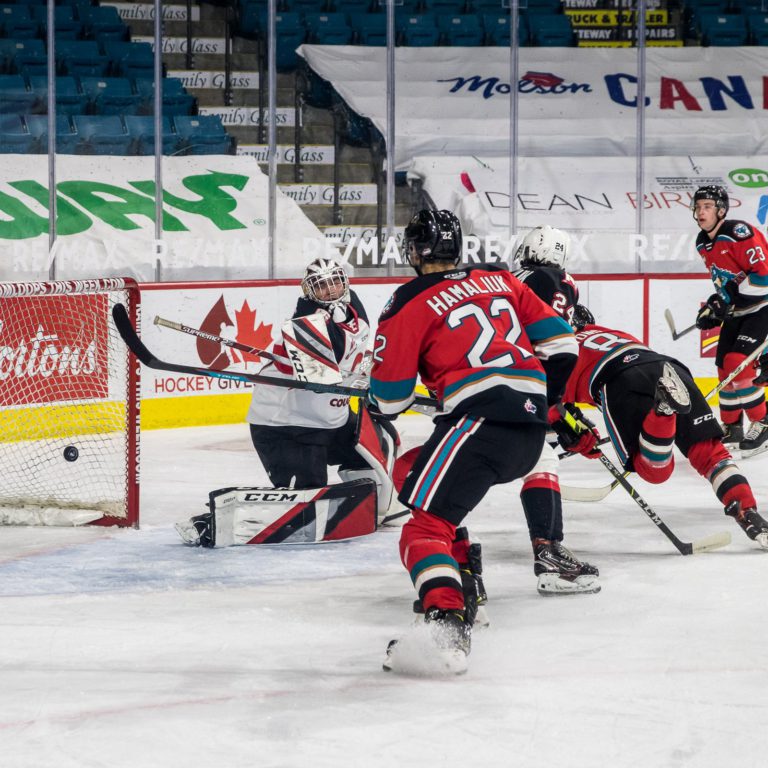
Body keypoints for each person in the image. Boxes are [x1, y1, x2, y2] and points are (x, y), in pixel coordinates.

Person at [367, 209, 597, 673]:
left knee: (421, 528)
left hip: (478, 427)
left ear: (414, 252)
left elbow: (388, 401)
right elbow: (563, 346)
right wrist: (537, 401)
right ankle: (466, 580)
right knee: (412, 471)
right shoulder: (501, 280)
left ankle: (447, 621)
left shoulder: (407, 301)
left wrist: (373, 393)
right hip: (528, 435)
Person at [565, 303, 768, 550]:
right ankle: (748, 512)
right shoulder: (612, 333)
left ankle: (663, 411)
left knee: (654, 470)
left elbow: (545, 404)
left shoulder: (559, 345)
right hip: (667, 367)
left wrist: (576, 436)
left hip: (617, 378)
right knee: (709, 453)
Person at [246, 257, 397, 515]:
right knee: (307, 502)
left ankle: (368, 508)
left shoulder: (355, 314)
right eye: (321, 285)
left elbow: (357, 359)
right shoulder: (306, 324)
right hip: (289, 425)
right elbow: (319, 381)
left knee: (375, 462)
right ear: (309, 291)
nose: (330, 290)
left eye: (335, 281)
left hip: (332, 419)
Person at [691, 185, 768, 455]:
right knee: (724, 367)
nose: (701, 211)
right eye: (698, 206)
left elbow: (764, 276)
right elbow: (726, 285)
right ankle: (732, 426)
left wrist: (729, 298)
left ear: (721, 210)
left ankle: (763, 421)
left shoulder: (738, 233)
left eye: (708, 206)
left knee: (738, 362)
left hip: (763, 308)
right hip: (739, 312)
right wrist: (714, 307)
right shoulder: (702, 242)